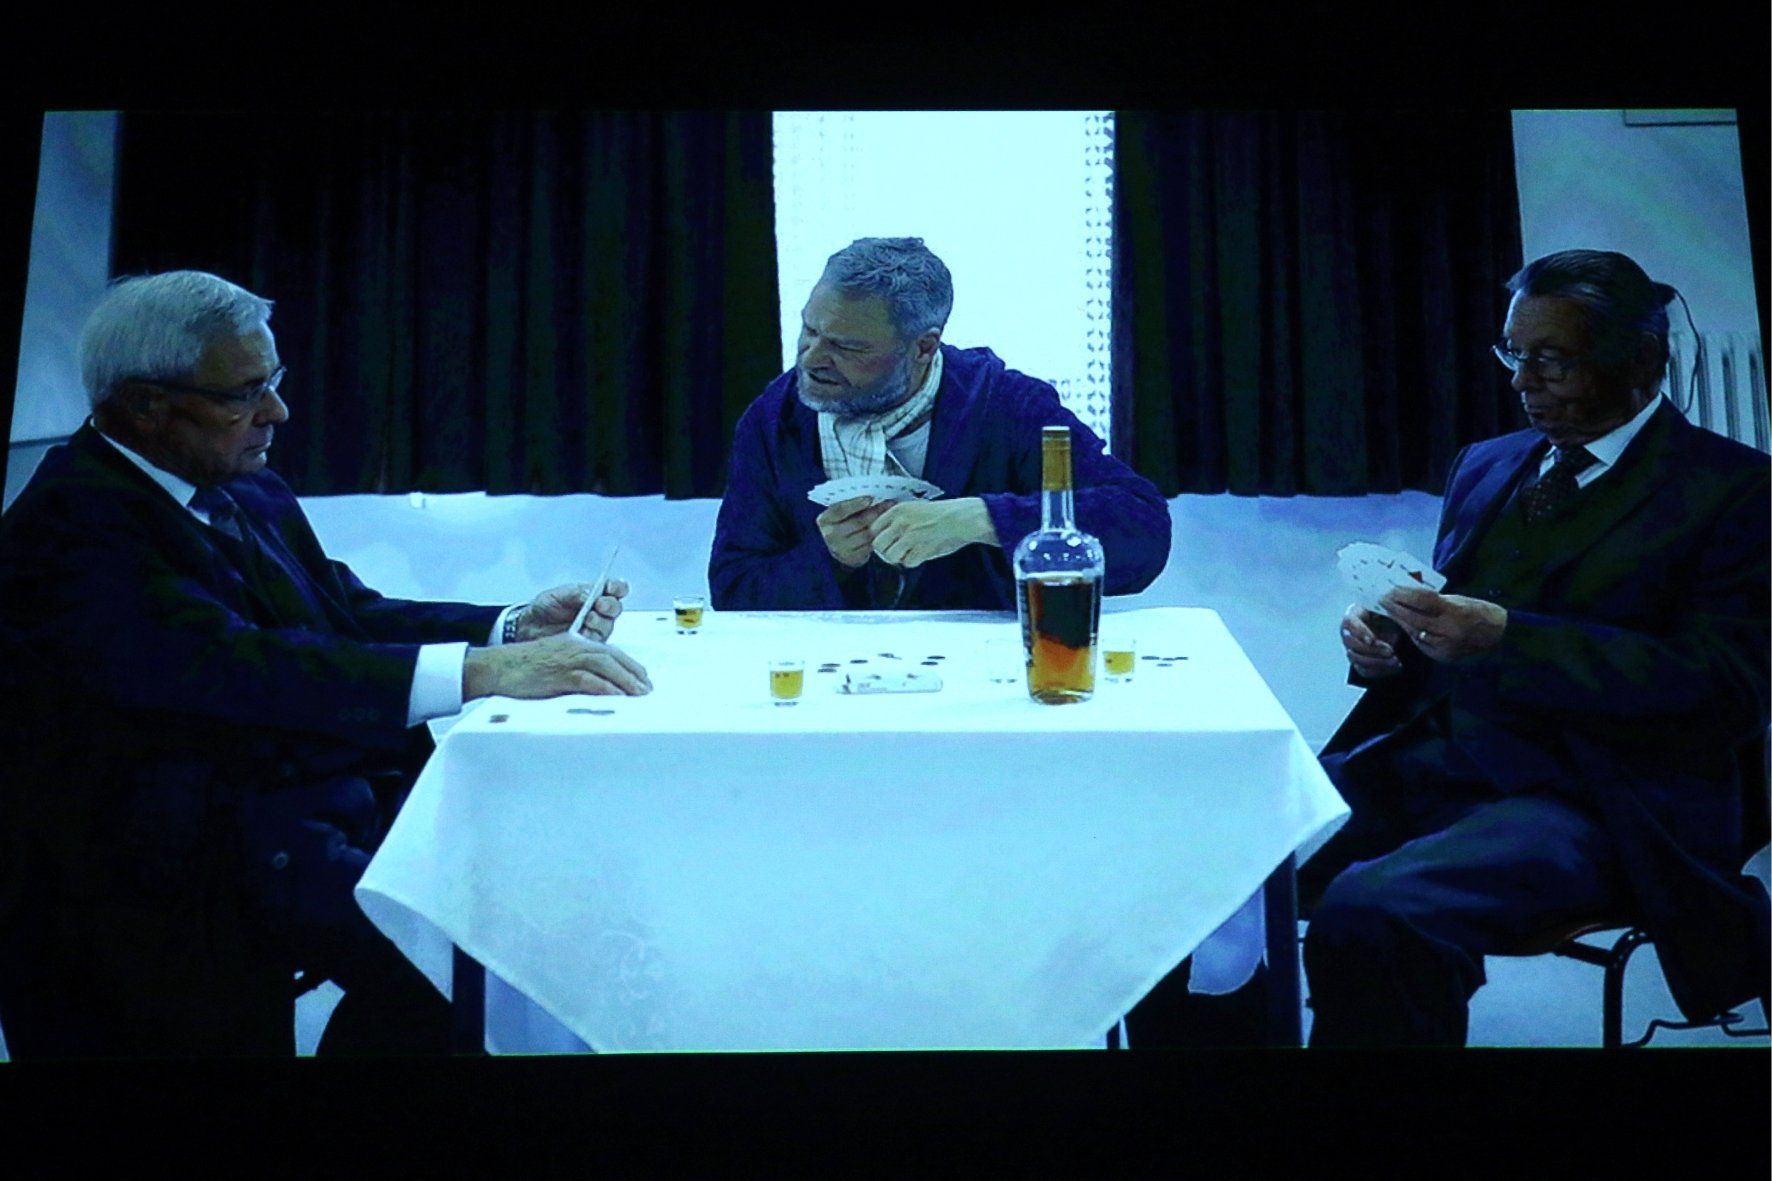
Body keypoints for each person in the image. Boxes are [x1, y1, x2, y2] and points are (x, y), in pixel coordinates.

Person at [0, 271, 652, 1058]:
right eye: (245, 393)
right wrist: (483, 673)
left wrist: (508, 627)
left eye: (273, 381)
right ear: (145, 405)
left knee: (499, 944)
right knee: (470, 961)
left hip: (272, 826)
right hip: (145, 889)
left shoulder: (242, 484)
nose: (277, 411)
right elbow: (238, 666)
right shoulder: (69, 524)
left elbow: (343, 611)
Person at [1300, 249, 1770, 1046]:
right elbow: (1455, 622)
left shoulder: (1736, 491)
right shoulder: (1488, 464)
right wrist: (1388, 641)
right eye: (1514, 354)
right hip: (1442, 762)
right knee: (1220, 858)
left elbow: (1726, 688)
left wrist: (1510, 639)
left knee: (1373, 910)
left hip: (1604, 798)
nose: (1523, 381)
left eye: (1554, 360)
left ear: (1641, 361)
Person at [708, 237, 1171, 610]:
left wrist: (980, 518)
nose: (811, 359)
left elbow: (1145, 529)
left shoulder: (1008, 408)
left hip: (987, 672)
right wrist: (831, 561)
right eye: (809, 330)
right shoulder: (774, 419)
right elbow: (733, 592)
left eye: (848, 347)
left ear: (924, 348)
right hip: (829, 674)